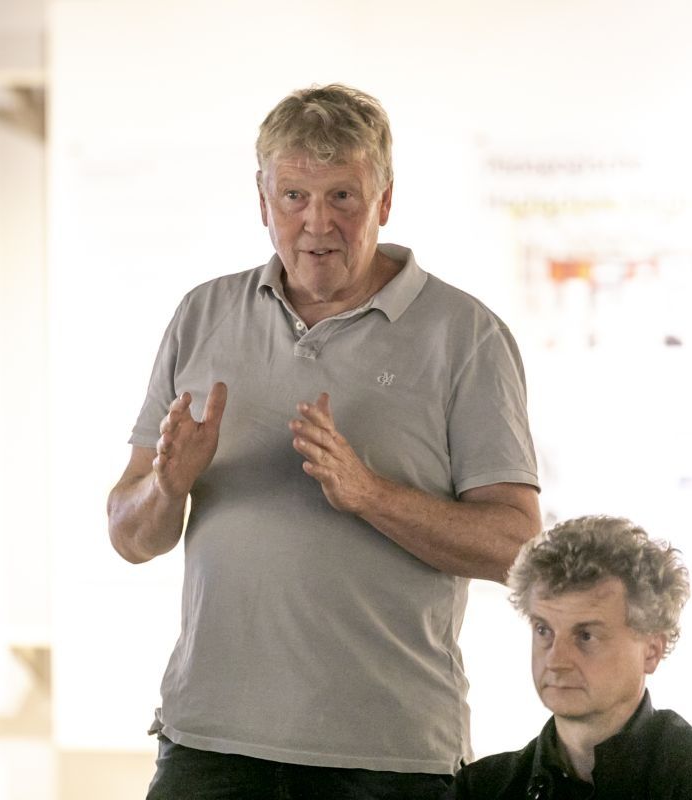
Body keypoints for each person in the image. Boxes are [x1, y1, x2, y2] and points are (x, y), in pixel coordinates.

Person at [108, 83, 542, 798]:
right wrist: (168, 485)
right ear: (262, 200)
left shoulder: (467, 335)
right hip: (206, 745)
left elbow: (517, 548)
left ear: (385, 200)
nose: (318, 222)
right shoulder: (203, 314)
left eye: (343, 196)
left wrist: (370, 494)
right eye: (294, 196)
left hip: (388, 758)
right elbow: (130, 538)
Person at [446, 515, 692, 799]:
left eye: (586, 636)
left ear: (652, 650)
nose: (556, 661)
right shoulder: (481, 788)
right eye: (544, 630)